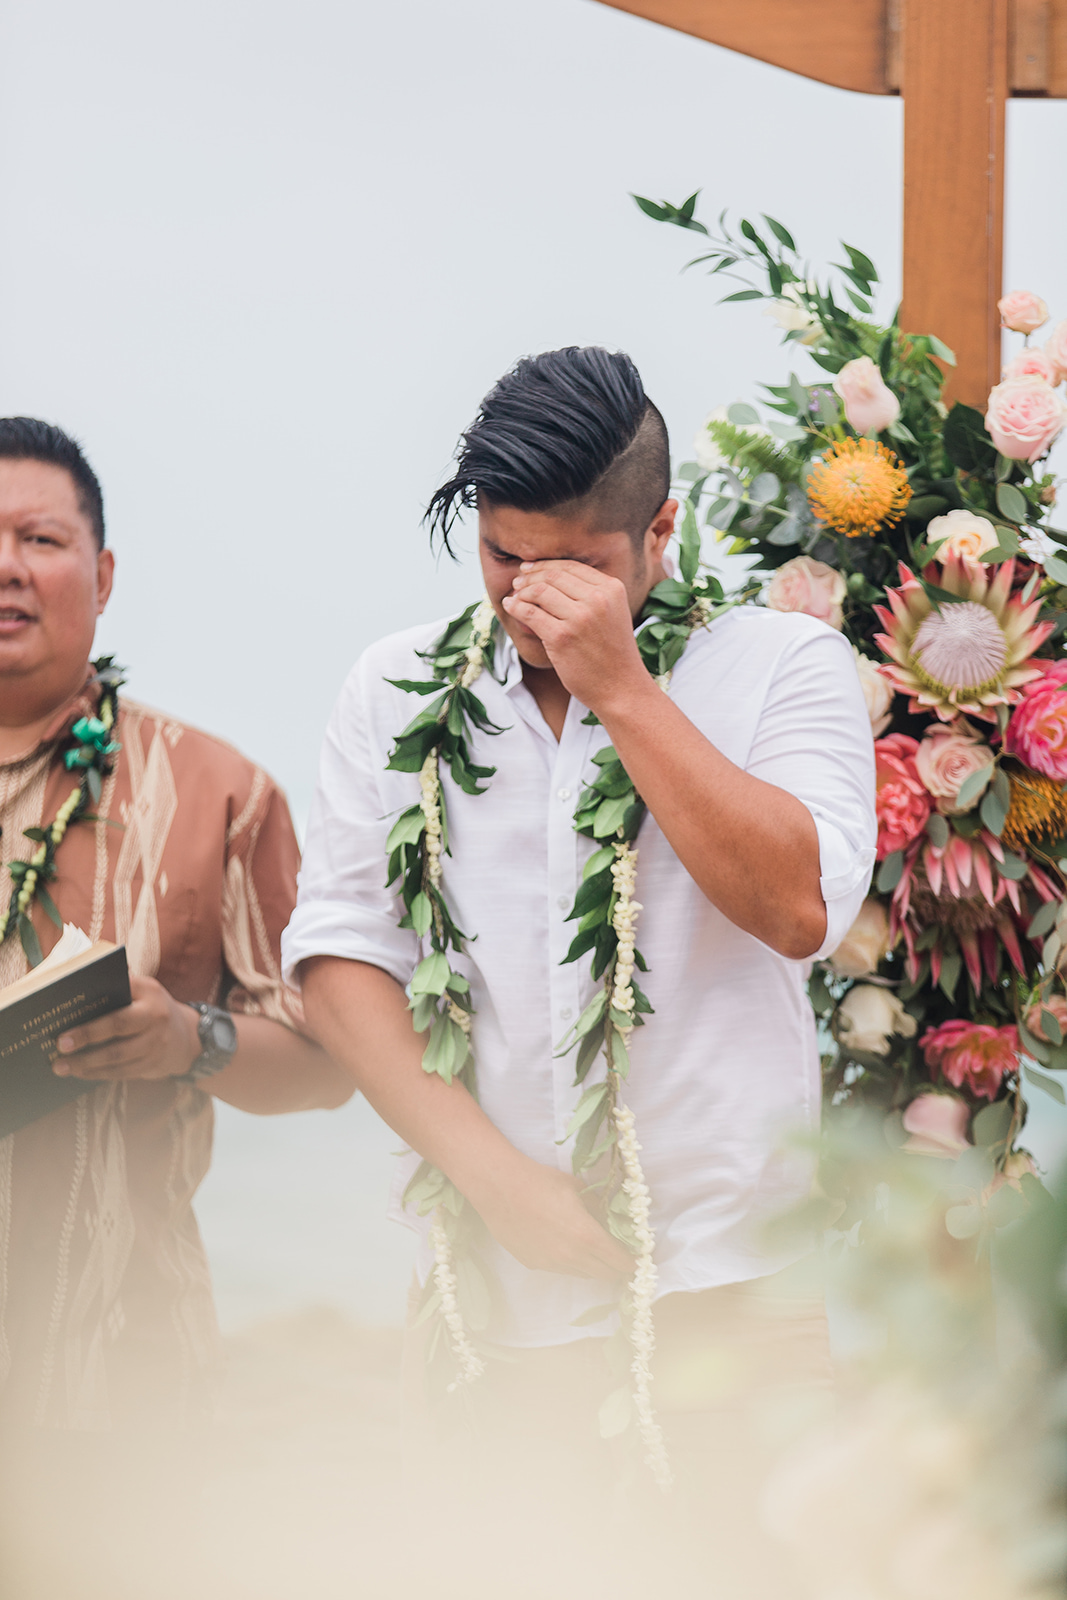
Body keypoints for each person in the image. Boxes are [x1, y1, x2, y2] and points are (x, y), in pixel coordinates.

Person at [283, 348, 877, 1596]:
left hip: (739, 1295)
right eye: (503, 559)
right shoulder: (392, 688)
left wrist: (620, 684)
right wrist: (495, 1183)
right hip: (488, 1302)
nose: (530, 601)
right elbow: (338, 961)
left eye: (575, 570)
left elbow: (796, 906)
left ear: (659, 528)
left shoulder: (781, 666)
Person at [0, 418, 352, 1599]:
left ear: (101, 576)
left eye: (38, 538)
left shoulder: (219, 792)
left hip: (115, 1373)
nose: (7, 566)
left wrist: (186, 1040)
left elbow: (326, 1057)